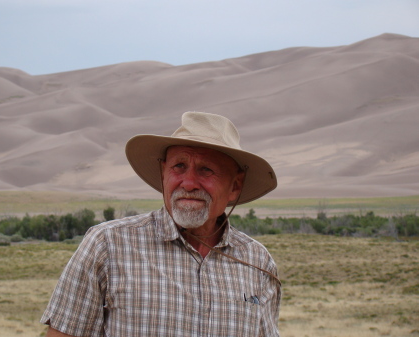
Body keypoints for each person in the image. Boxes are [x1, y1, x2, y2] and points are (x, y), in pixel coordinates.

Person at [41, 111, 281, 336]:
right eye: (179, 166)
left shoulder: (258, 262)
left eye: (206, 170)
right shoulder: (107, 245)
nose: (188, 183)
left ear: (235, 187)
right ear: (163, 172)